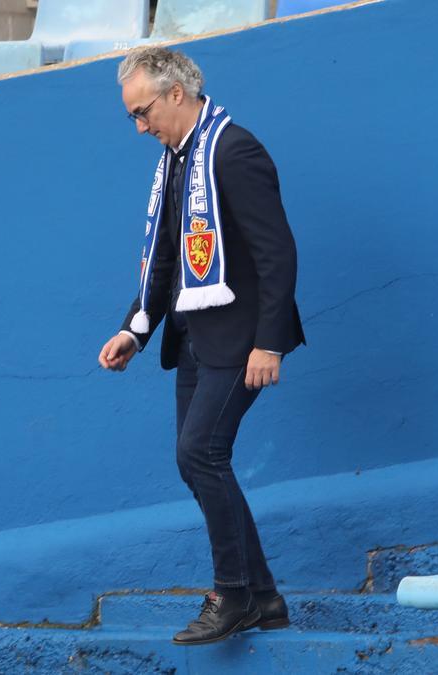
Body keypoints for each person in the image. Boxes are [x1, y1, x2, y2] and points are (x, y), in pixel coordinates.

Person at [97, 47, 305, 646]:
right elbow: (165, 256)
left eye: (143, 112)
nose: (140, 126)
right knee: (198, 461)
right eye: (133, 116)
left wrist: (270, 343)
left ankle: (232, 594)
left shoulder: (233, 150)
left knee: (199, 455)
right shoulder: (174, 160)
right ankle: (263, 596)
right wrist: (136, 329)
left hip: (240, 342)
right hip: (192, 338)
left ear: (176, 95)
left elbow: (277, 253)